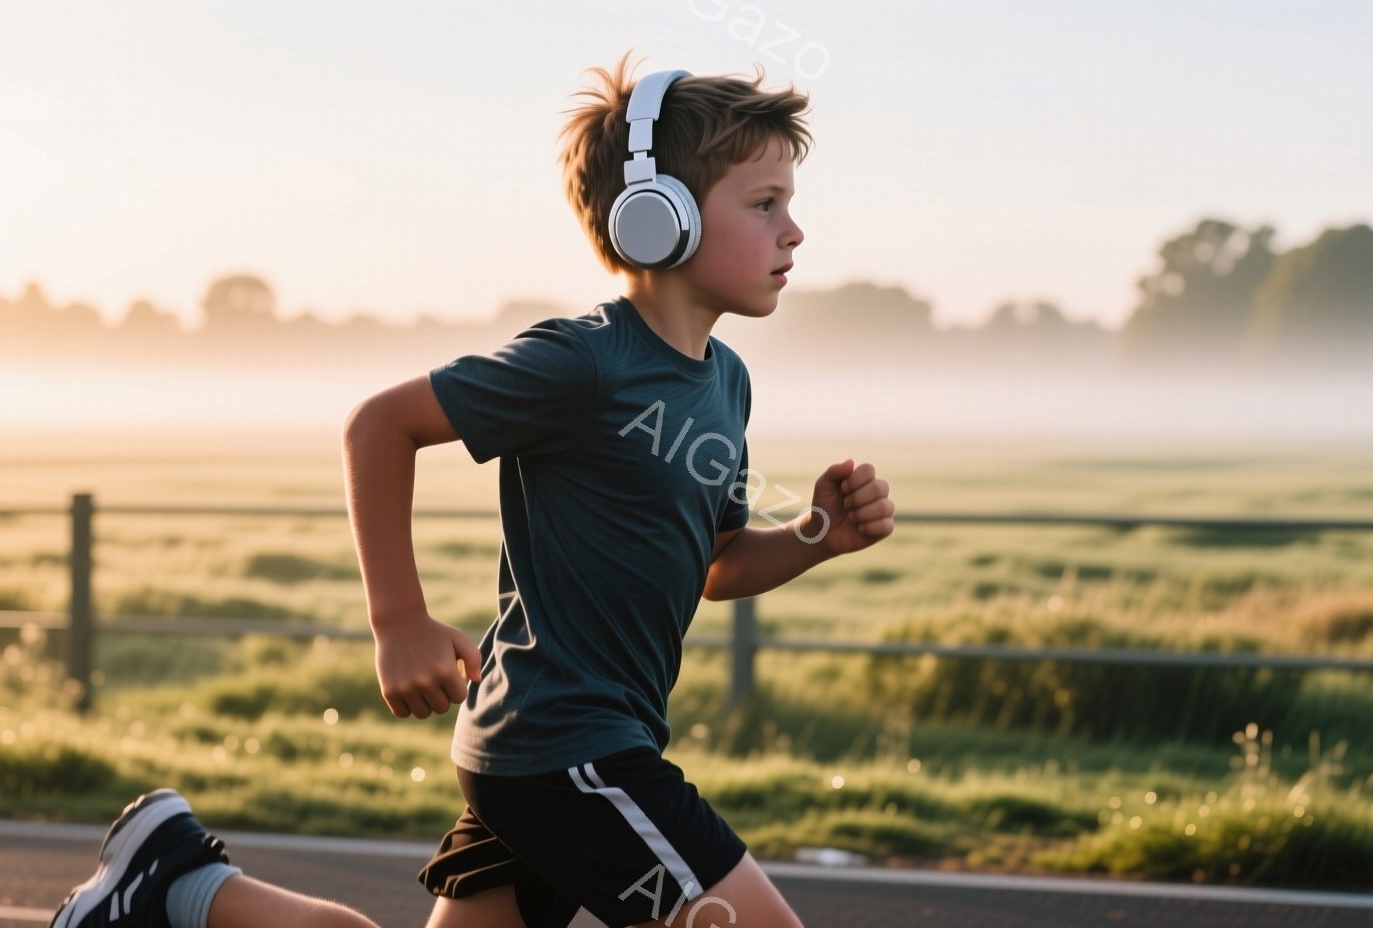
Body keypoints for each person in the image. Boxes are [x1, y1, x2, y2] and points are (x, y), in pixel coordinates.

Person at [49, 49, 895, 928]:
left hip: (551, 748)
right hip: (568, 749)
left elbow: (716, 561)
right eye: (764, 205)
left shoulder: (725, 382)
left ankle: (180, 884)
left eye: (789, 206)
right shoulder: (585, 362)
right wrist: (398, 622)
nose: (793, 231)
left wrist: (813, 536)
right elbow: (380, 424)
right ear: (657, 218)